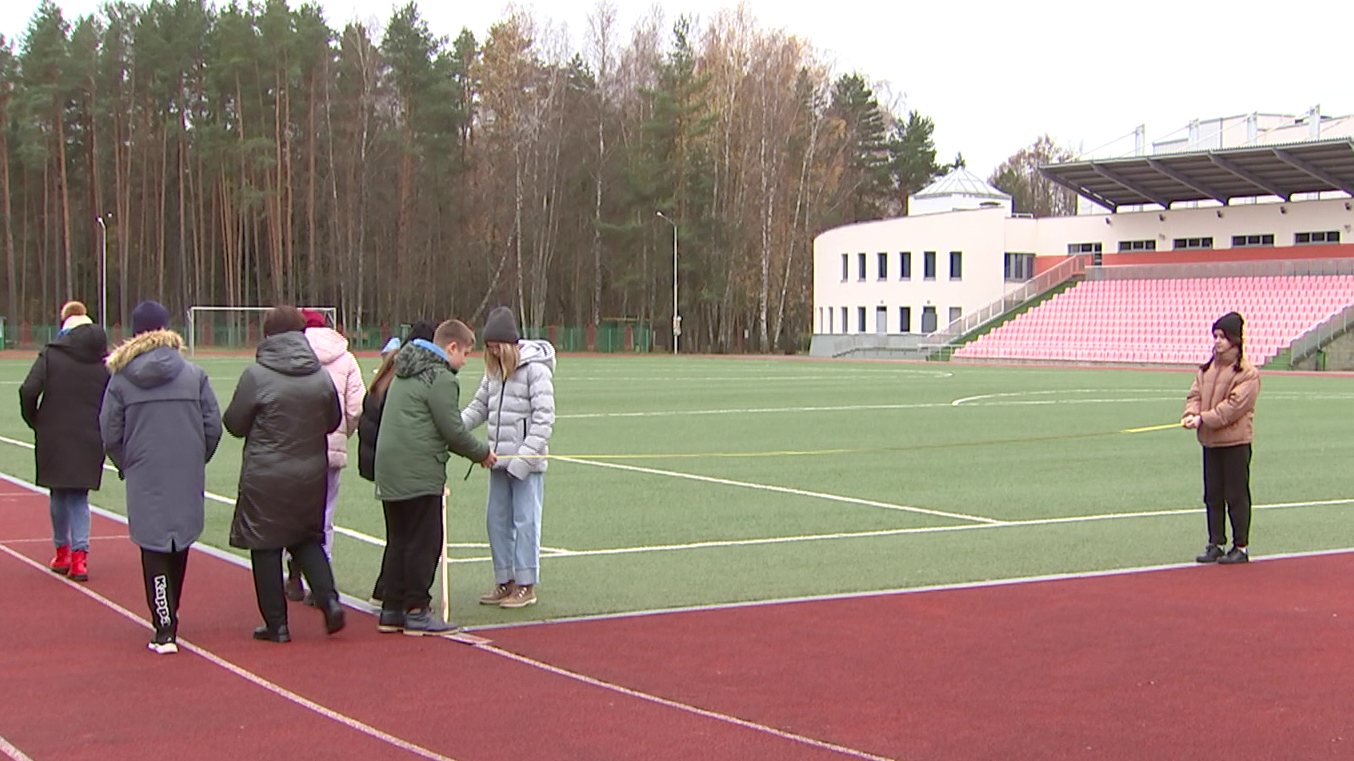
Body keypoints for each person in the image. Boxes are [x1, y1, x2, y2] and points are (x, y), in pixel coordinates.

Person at [100, 300, 222, 654]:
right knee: (179, 540)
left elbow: (110, 431)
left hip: (144, 470)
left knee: (153, 543)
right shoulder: (194, 375)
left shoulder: (121, 379)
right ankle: (171, 614)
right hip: (185, 469)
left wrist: (127, 463)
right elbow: (212, 426)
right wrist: (196, 458)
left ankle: (164, 624)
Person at [223, 306, 344, 643]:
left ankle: (277, 624)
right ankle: (329, 599)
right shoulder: (320, 375)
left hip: (266, 473)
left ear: (267, 336)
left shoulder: (256, 375)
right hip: (309, 471)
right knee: (306, 539)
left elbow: (234, 423)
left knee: (264, 546)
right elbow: (333, 421)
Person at [374, 319, 494, 635]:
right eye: (465, 353)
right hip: (417, 470)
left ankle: (392, 609)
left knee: (400, 538)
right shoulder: (440, 378)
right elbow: (452, 430)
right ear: (451, 347)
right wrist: (482, 453)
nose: (466, 361)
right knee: (424, 542)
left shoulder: (403, 370)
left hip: (389, 467)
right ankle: (416, 609)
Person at [462, 306, 556, 609]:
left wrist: (523, 460)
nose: (494, 353)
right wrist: (454, 429)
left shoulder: (536, 371)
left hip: (526, 465)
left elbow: (544, 420)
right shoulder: (492, 373)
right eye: (489, 349)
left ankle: (526, 584)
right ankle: (505, 580)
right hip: (497, 461)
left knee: (526, 521)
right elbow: (479, 407)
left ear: (510, 344)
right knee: (496, 521)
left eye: (497, 348)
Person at [19, 300, 111, 583]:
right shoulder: (104, 360)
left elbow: (28, 390)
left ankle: (63, 551)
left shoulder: (51, 354)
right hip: (90, 433)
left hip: (54, 432)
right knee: (79, 496)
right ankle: (80, 559)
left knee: (58, 492)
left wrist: (36, 420)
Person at [283, 309, 366, 605]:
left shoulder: (287, 355)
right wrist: (342, 433)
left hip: (293, 448)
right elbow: (356, 406)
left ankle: (294, 571)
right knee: (325, 514)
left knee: (292, 511)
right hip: (330, 445)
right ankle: (322, 581)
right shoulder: (346, 358)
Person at [357, 320, 436, 604]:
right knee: (410, 534)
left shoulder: (385, 375)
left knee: (398, 533)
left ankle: (386, 590)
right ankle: (402, 595)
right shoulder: (403, 382)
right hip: (397, 464)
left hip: (380, 462)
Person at [1183, 311, 1261, 565]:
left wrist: (1204, 418)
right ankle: (1215, 542)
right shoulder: (1206, 369)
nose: (1217, 341)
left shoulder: (1247, 373)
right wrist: (1191, 414)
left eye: (1222, 337)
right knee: (1213, 494)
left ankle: (1241, 546)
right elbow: (1194, 395)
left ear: (1235, 341)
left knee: (1236, 495)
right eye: (1215, 336)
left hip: (1235, 443)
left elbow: (1233, 407)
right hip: (1210, 442)